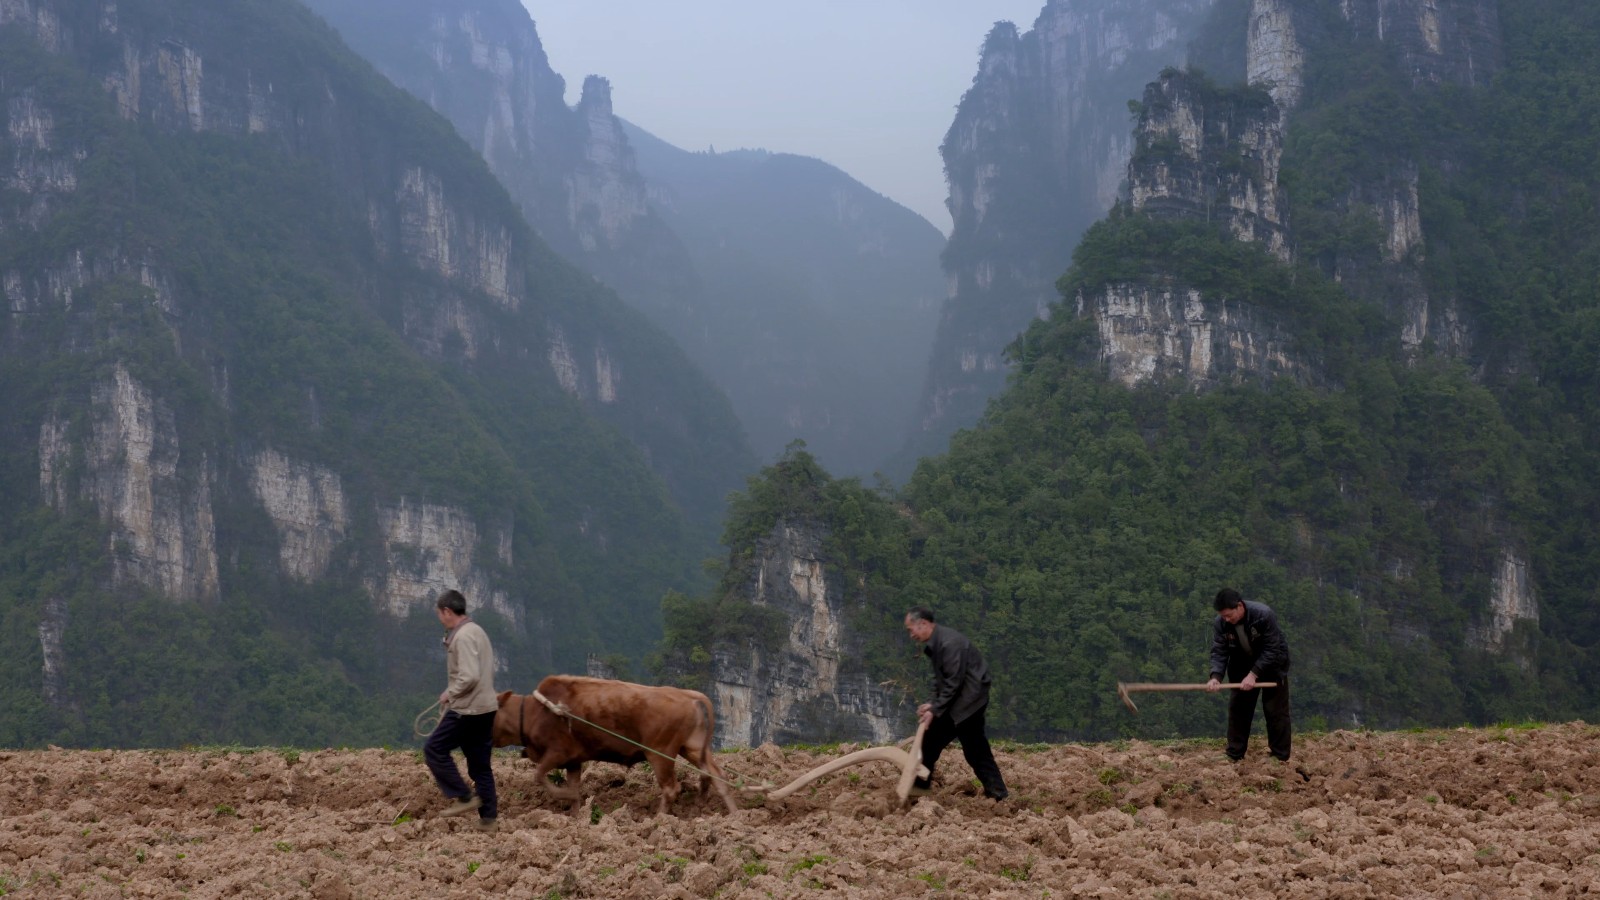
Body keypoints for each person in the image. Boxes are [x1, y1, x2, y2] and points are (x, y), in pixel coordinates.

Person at [903, 607, 1008, 801]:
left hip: (968, 704)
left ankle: (999, 795)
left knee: (974, 750)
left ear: (923, 624)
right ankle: (917, 793)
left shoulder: (950, 643)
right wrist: (932, 704)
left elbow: (954, 681)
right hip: (958, 702)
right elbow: (940, 680)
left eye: (912, 629)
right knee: (931, 743)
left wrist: (935, 709)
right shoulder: (937, 642)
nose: (911, 635)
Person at [425, 589, 498, 828]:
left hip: (467, 710)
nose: (440, 619)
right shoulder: (477, 631)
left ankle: (464, 796)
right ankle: (489, 820)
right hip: (486, 707)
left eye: (439, 613)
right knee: (480, 766)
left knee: (434, 749)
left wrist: (450, 693)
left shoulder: (463, 637)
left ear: (447, 611)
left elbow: (469, 676)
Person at [1206, 588, 1292, 762]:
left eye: (1229, 615)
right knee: (1238, 710)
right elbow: (1219, 651)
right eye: (1223, 616)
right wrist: (1215, 677)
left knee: (1275, 711)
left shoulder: (1263, 615)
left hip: (1273, 665)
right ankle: (1234, 754)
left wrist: (1254, 674)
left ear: (1239, 606)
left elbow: (1272, 649)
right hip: (1241, 666)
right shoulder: (1221, 623)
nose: (1226, 619)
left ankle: (1279, 757)